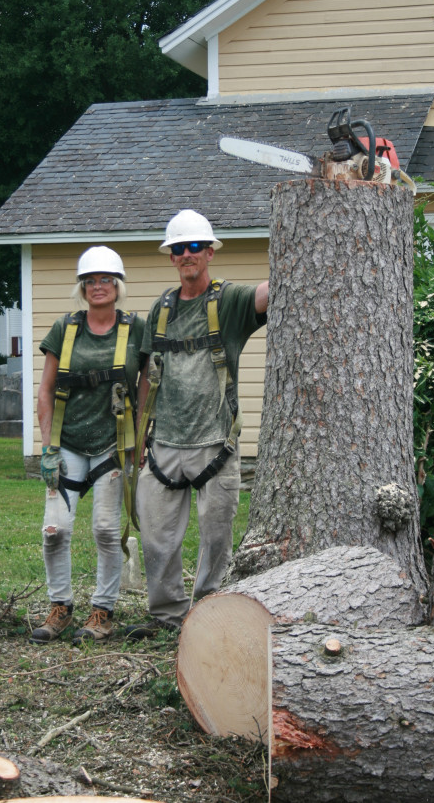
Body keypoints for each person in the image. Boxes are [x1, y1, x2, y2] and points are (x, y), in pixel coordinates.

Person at [126, 210, 268, 639]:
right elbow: (148, 376)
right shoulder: (161, 310)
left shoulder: (230, 302)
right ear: (171, 257)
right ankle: (167, 616)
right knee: (157, 538)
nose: (186, 255)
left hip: (215, 445)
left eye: (194, 247)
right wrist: (137, 439)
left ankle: (208, 615)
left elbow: (270, 292)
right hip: (163, 444)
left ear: (209, 252)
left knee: (216, 539)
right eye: (178, 249)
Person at [31, 246, 145, 645]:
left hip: (112, 446)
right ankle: (60, 606)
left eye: (106, 280)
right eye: (91, 280)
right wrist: (47, 447)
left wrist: (140, 441)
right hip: (68, 443)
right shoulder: (65, 329)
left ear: (118, 286)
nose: (99, 286)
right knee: (54, 530)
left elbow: (145, 387)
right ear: (82, 287)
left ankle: (103, 611)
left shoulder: (135, 329)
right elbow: (45, 391)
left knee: (105, 530)